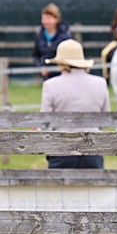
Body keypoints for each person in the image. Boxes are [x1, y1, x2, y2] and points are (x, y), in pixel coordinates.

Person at [40, 39, 110, 169]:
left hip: (61, 153)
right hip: (93, 151)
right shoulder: (100, 84)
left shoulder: (50, 85)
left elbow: (45, 125)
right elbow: (105, 121)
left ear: (61, 63)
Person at [32, 3, 72, 80]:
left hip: (63, 77)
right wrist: (41, 67)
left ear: (56, 19)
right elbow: (36, 55)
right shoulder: (39, 36)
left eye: (49, 19)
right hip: (47, 77)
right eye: (44, 19)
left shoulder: (65, 37)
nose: (46, 22)